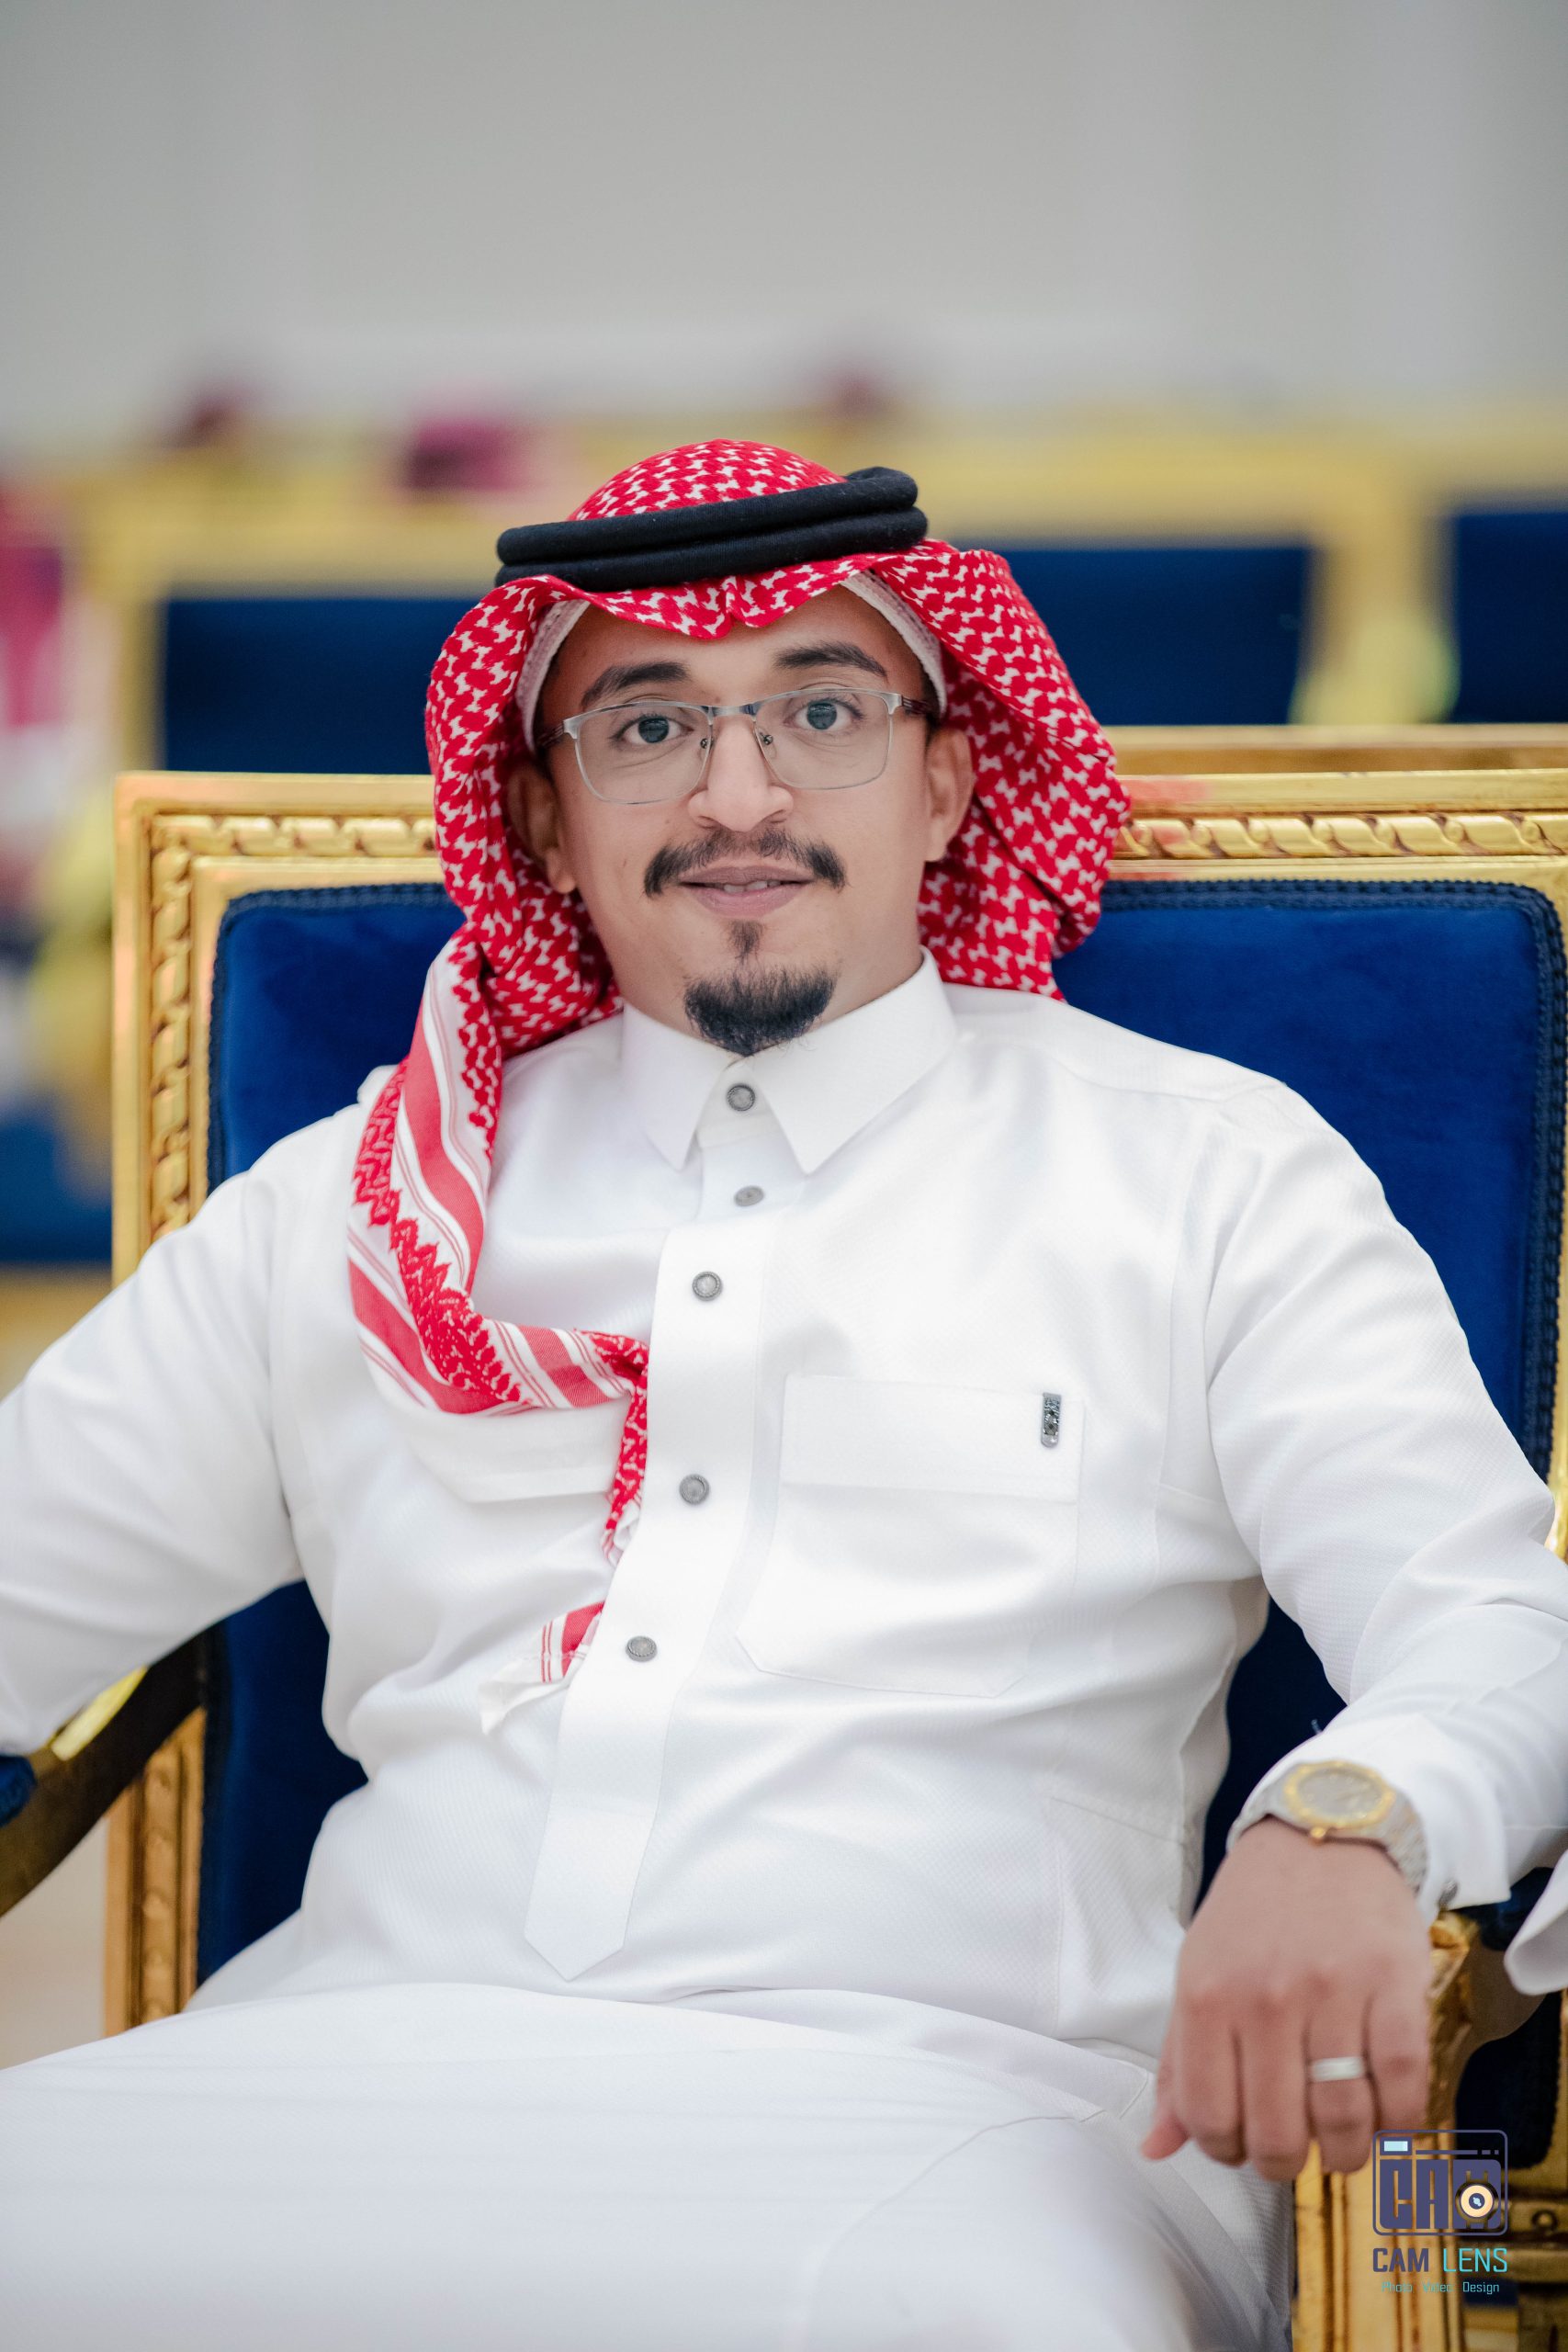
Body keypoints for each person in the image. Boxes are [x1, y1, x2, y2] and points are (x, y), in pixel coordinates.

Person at [3, 440, 1568, 2352]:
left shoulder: (1202, 1175)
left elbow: (1499, 1627)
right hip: (320, 2066)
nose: (736, 796)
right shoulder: (362, 1201)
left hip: (970, 2118)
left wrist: (1344, 1822)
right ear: (545, 813)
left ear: (946, 778)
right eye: (647, 726)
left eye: (819, 712)